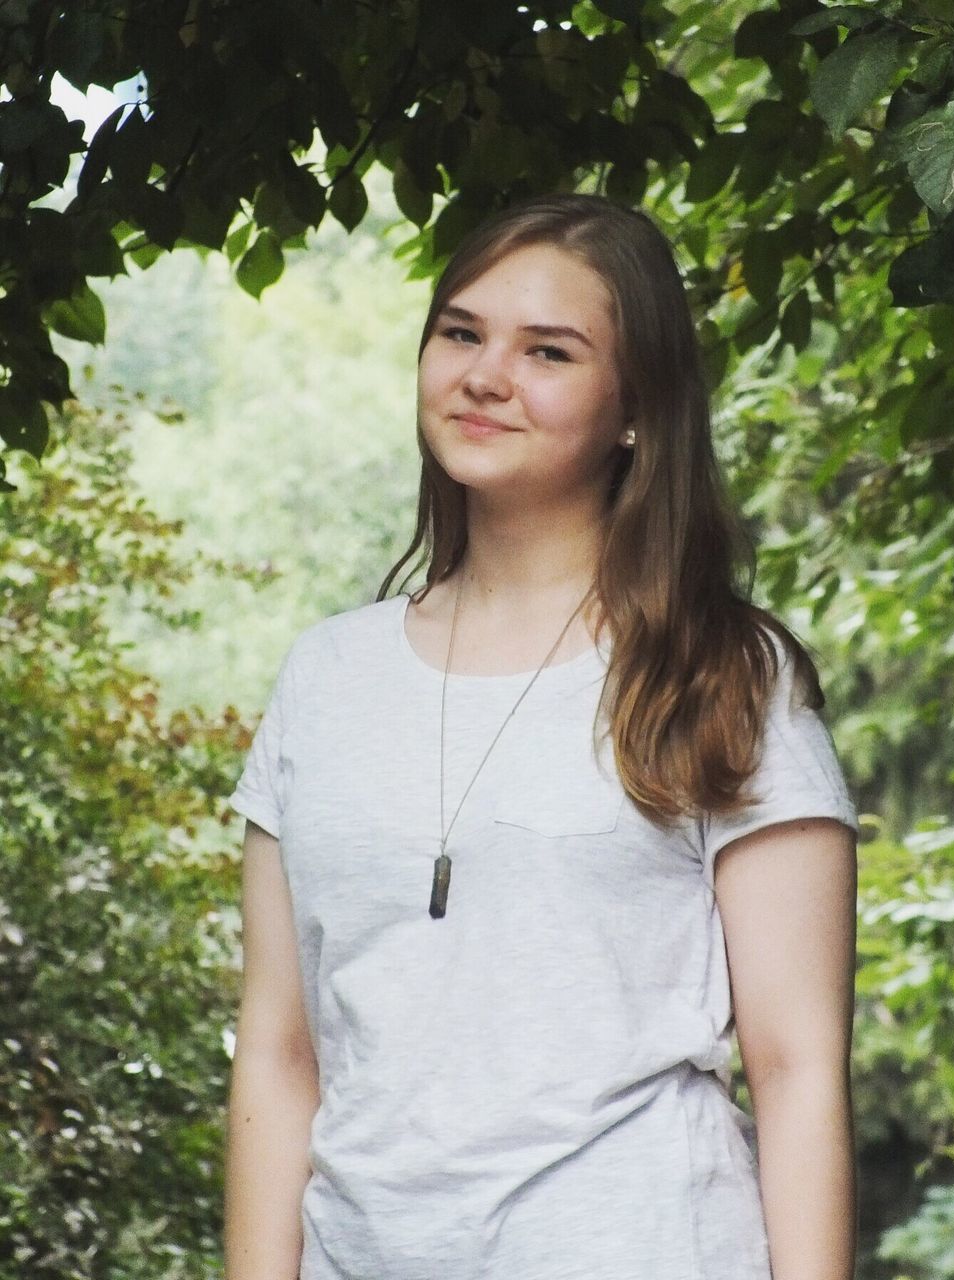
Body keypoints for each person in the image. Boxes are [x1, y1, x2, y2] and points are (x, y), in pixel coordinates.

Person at [223, 193, 860, 1280]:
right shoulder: (325, 675)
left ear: (633, 411)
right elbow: (280, 1054)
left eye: (547, 350)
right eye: (461, 331)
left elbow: (795, 1066)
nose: (483, 374)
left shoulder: (719, 673)